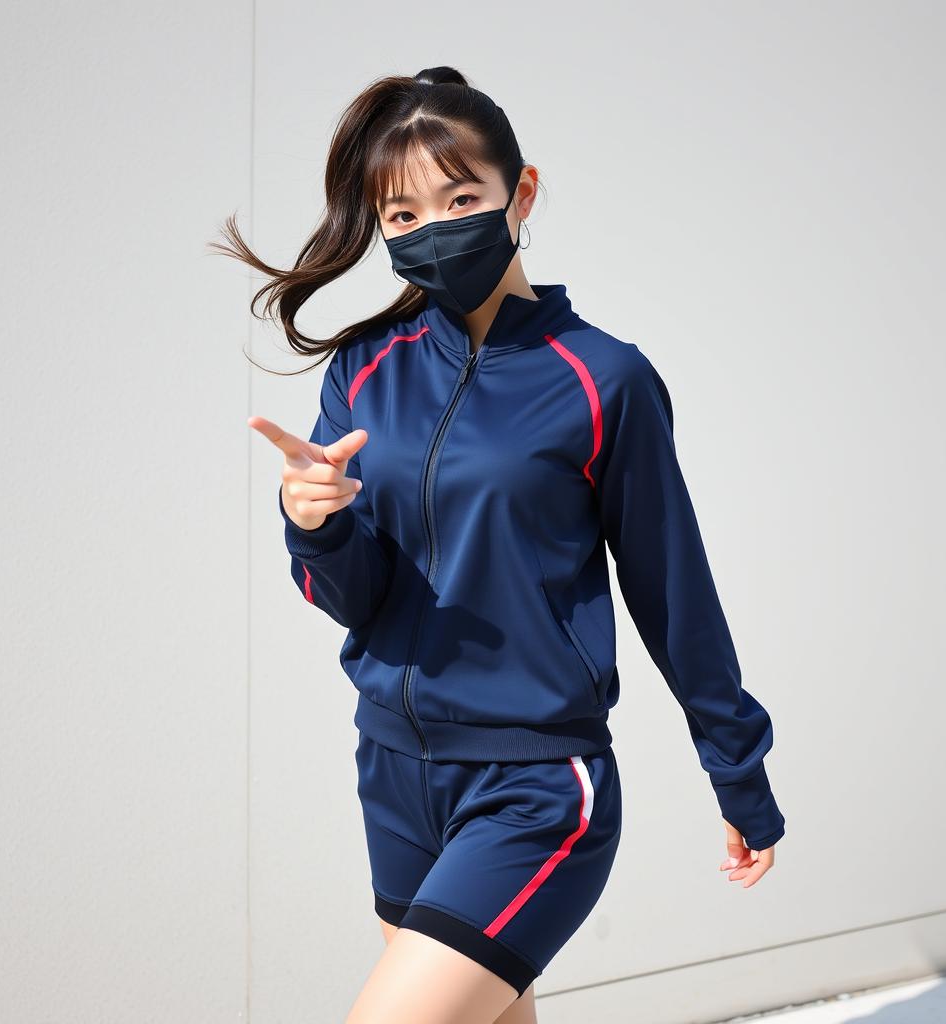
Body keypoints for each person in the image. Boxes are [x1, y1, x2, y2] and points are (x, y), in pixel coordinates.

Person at [220, 64, 786, 1024]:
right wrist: (312, 527)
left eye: (460, 197)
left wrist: (738, 771)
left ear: (519, 193)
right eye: (400, 217)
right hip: (394, 770)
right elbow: (357, 597)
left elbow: (672, 587)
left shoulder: (604, 379)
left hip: (533, 786)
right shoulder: (365, 369)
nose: (431, 228)